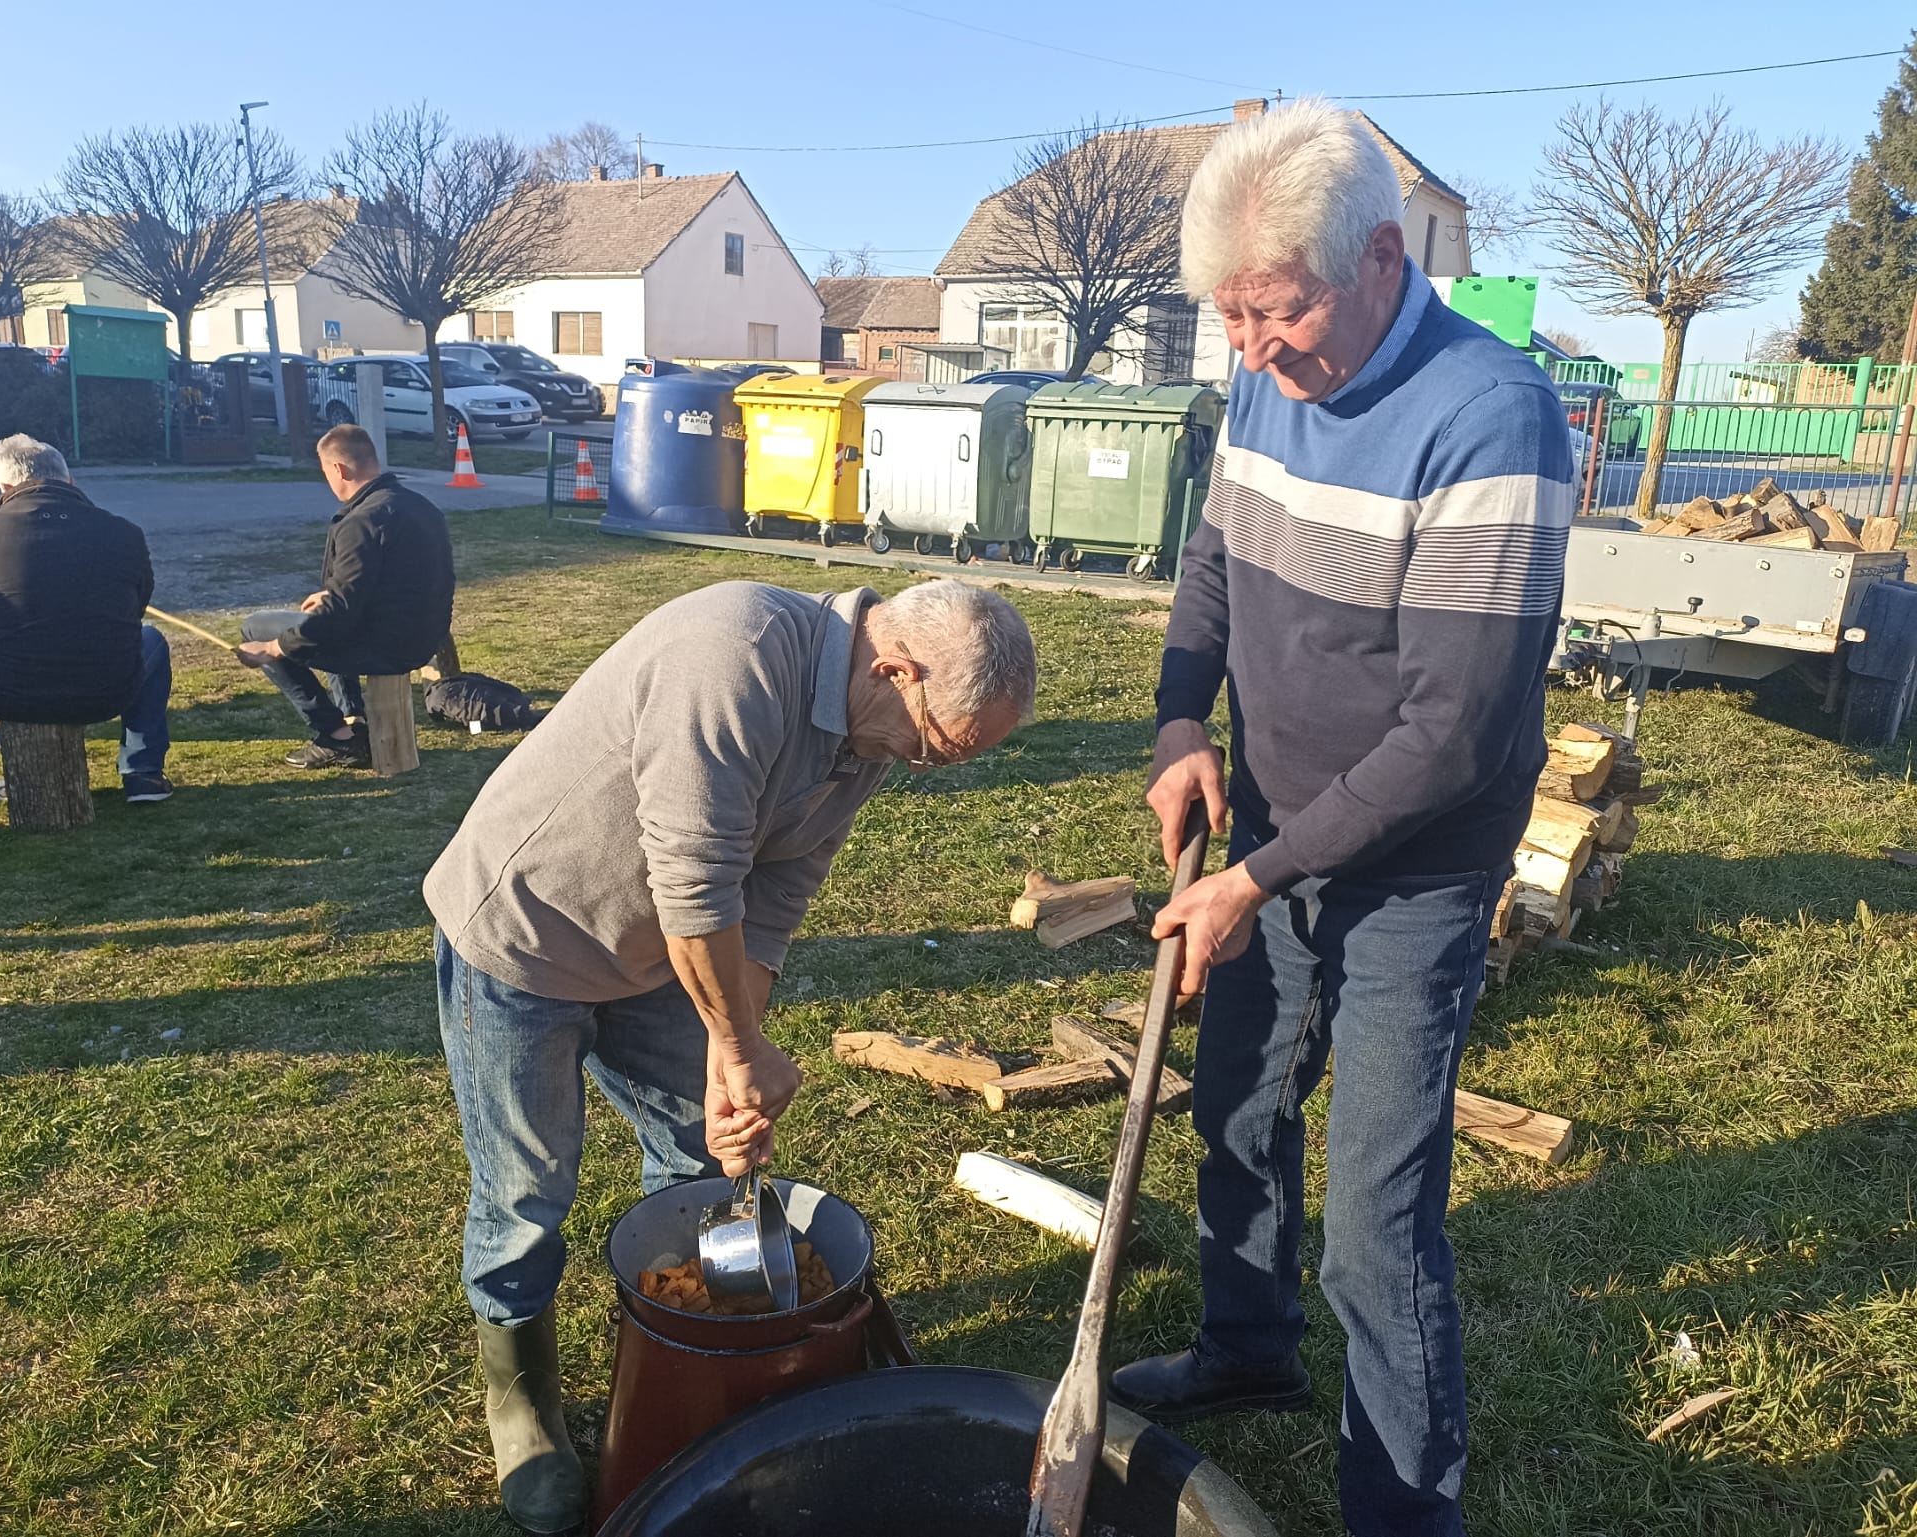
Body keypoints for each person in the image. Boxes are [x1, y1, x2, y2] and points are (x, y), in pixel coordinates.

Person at [1109, 100, 1574, 1537]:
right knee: (1237, 1114)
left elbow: (1452, 735)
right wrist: (1182, 720)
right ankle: (1246, 1347)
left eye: (1277, 311)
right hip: (1268, 822)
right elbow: (1214, 556)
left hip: (1415, 869)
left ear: (1381, 258)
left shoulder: (1491, 417)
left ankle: (1401, 1509)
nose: (1252, 349)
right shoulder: (1265, 375)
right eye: (1228, 317)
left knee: (1378, 1216)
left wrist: (1255, 877)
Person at [422, 578, 1036, 1534]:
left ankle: (695, 1352)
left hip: (663, 953)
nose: (922, 766)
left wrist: (730, 1046)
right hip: (527, 936)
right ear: (893, 670)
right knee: (526, 1188)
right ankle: (523, 1399)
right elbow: (697, 884)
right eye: (937, 746)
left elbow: (780, 890)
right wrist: (740, 1045)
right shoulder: (734, 656)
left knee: (701, 1154)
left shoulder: (869, 732)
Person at [0, 434, 173, 803]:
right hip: (108, 691)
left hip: (10, 695)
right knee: (151, 638)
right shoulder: (124, 532)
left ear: (3, 487)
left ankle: (21, 759)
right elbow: (135, 609)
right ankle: (143, 773)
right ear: (69, 480)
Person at [235, 424, 455, 768]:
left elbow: (339, 615)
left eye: (325, 472)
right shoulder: (421, 506)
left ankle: (336, 735)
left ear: (339, 469)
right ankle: (354, 717)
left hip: (385, 647)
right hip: (422, 636)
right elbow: (401, 578)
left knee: (257, 627)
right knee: (323, 613)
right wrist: (330, 595)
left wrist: (276, 647)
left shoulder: (361, 521)